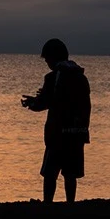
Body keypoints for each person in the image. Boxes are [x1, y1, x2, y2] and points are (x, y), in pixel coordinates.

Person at [21, 38, 91, 203]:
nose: (46, 62)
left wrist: (31, 103)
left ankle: (48, 203)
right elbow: (85, 106)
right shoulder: (81, 77)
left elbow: (45, 102)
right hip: (76, 133)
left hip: (57, 134)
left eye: (47, 59)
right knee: (70, 174)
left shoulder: (53, 78)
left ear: (53, 57)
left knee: (50, 173)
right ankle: (70, 203)